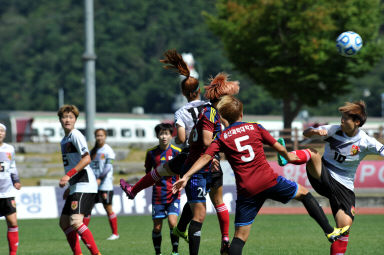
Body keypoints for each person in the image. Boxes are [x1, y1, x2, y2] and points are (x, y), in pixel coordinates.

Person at [173, 95, 350, 255]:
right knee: (304, 194)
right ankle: (329, 231)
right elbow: (277, 145)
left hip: (247, 190)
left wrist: (186, 175)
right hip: (268, 180)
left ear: (221, 117)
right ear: (241, 114)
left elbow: (205, 157)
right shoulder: (255, 127)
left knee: (239, 239)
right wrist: (287, 156)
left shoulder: (222, 138)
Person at [120, 49, 231, 254]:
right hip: (213, 156)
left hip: (192, 156)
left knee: (160, 171)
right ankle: (225, 237)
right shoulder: (211, 107)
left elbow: (180, 139)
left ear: (183, 93)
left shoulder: (182, 111)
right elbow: (221, 130)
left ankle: (134, 191)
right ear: (199, 90)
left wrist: (190, 136)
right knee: (219, 202)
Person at [277, 100, 384, 255]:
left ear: (357, 122)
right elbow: (305, 133)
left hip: (344, 187)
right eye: (341, 117)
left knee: (344, 228)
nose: (341, 120)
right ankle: (286, 156)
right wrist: (313, 131)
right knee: (313, 153)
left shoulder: (366, 142)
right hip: (322, 175)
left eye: (345, 118)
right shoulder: (334, 129)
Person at [57, 105, 101, 255]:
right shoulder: (64, 140)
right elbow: (72, 162)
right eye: (64, 117)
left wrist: (68, 175)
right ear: (60, 120)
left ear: (75, 119)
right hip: (76, 185)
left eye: (71, 117)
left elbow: (87, 158)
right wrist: (70, 186)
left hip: (85, 183)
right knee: (64, 222)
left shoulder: (76, 135)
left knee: (76, 221)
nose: (67, 120)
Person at [146, 123, 181, 255]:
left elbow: (183, 171)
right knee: (157, 227)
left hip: (173, 194)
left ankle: (175, 251)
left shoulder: (177, 152)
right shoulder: (151, 153)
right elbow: (147, 174)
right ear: (157, 136)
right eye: (161, 134)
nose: (164, 136)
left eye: (166, 133)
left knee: (173, 223)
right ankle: (158, 252)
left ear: (171, 135)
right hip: (158, 195)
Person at [83, 128, 119, 240]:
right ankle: (81, 233)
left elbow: (108, 167)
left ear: (105, 137)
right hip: (93, 185)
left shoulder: (108, 150)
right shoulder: (93, 151)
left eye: (101, 135)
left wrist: (99, 178)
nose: (99, 138)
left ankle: (115, 234)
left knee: (108, 208)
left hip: (105, 185)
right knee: (87, 208)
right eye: (97, 135)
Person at [0, 123, 21, 255]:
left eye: (1, 131)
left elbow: (12, 166)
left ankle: (12, 254)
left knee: (12, 223)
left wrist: (16, 180)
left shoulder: (10, 149)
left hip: (7, 192)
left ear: (5, 133)